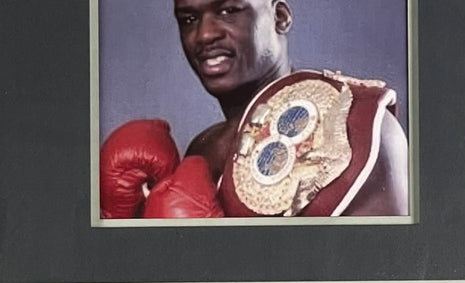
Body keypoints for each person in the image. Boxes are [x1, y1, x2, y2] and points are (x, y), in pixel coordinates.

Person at [100, 0, 409, 219]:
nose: (205, 34)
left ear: (280, 17)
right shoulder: (203, 146)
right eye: (189, 19)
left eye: (229, 10)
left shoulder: (354, 126)